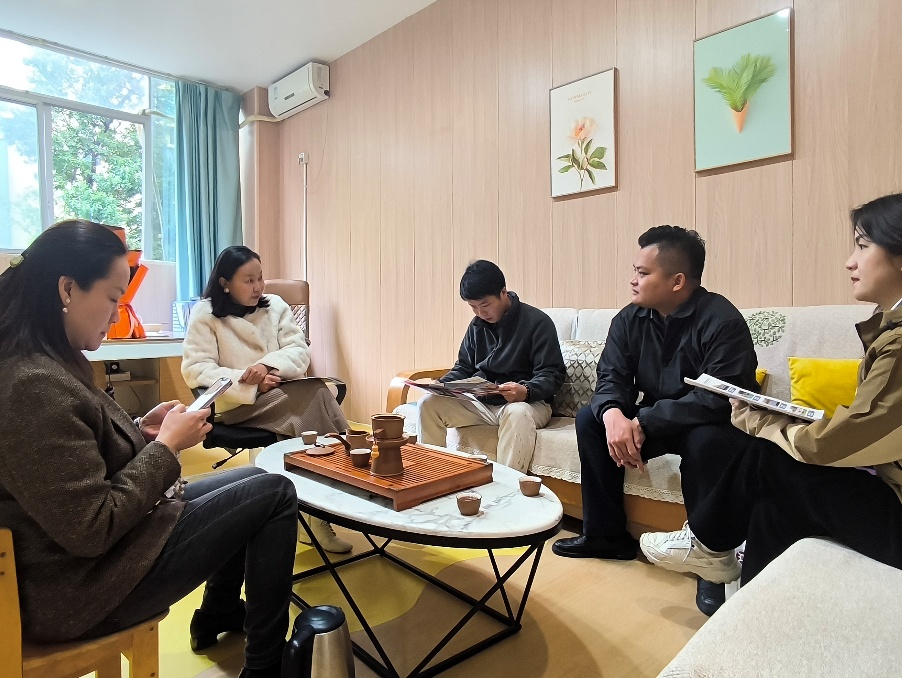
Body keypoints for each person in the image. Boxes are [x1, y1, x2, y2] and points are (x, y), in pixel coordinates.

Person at [0, 220, 297, 678]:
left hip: (91, 561)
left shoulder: (44, 361)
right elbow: (92, 527)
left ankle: (217, 612)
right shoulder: (32, 384)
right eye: (113, 298)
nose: (117, 314)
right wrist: (169, 446)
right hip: (82, 590)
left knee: (257, 480)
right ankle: (265, 666)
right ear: (67, 289)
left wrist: (142, 432)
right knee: (274, 494)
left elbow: (74, 462)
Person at [640, 193, 902, 590]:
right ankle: (748, 604)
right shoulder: (887, 328)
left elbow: (842, 439)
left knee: (766, 456)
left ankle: (708, 544)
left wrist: (762, 422)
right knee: (773, 499)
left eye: (863, 246)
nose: (850, 261)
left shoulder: (897, 344)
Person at [551, 226, 758, 616]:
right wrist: (614, 414)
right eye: (635, 270)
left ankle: (711, 559)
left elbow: (718, 398)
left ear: (677, 281)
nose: (633, 279)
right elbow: (611, 377)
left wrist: (643, 421)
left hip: (707, 422)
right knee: (590, 420)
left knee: (708, 443)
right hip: (657, 417)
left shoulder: (722, 320)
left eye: (643, 273)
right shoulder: (629, 319)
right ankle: (607, 536)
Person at [181, 245, 352, 554]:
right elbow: (197, 370)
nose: (258, 287)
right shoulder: (205, 314)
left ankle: (310, 505)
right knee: (316, 395)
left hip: (282, 394)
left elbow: (299, 350)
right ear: (225, 283)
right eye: (248, 280)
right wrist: (249, 383)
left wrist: (268, 367)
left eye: (260, 277)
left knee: (313, 397)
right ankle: (325, 502)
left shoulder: (275, 306)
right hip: (237, 405)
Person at [417, 260, 566, 473]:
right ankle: (434, 476)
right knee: (428, 404)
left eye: (485, 305)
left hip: (528, 402)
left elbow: (552, 373)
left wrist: (526, 390)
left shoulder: (537, 322)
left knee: (517, 413)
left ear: (503, 292)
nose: (480, 313)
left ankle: (509, 487)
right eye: (473, 307)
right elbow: (464, 367)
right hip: (483, 401)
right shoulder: (476, 326)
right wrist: (442, 385)